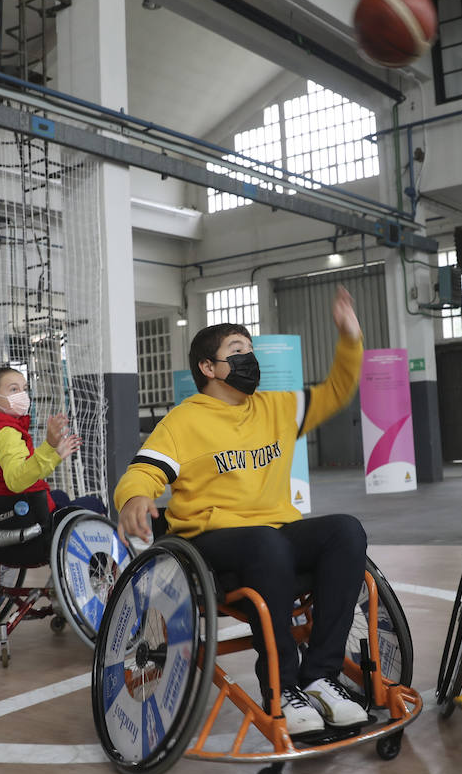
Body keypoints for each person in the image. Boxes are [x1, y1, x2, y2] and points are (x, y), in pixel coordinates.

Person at [114, 286, 368, 736]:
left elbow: (337, 389)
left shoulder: (277, 407)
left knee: (346, 531)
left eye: (250, 349)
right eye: (237, 350)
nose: (249, 357)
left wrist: (350, 338)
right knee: (267, 543)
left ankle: (320, 677)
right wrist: (134, 498)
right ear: (207, 367)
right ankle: (281, 688)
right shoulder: (184, 421)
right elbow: (144, 471)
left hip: (275, 533)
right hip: (213, 542)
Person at [0, 367, 81, 539]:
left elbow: (28, 471)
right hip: (24, 515)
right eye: (14, 389)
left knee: (60, 496)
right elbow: (17, 480)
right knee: (92, 505)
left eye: (25, 389)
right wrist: (49, 445)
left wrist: (55, 454)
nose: (22, 395)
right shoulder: (7, 433)